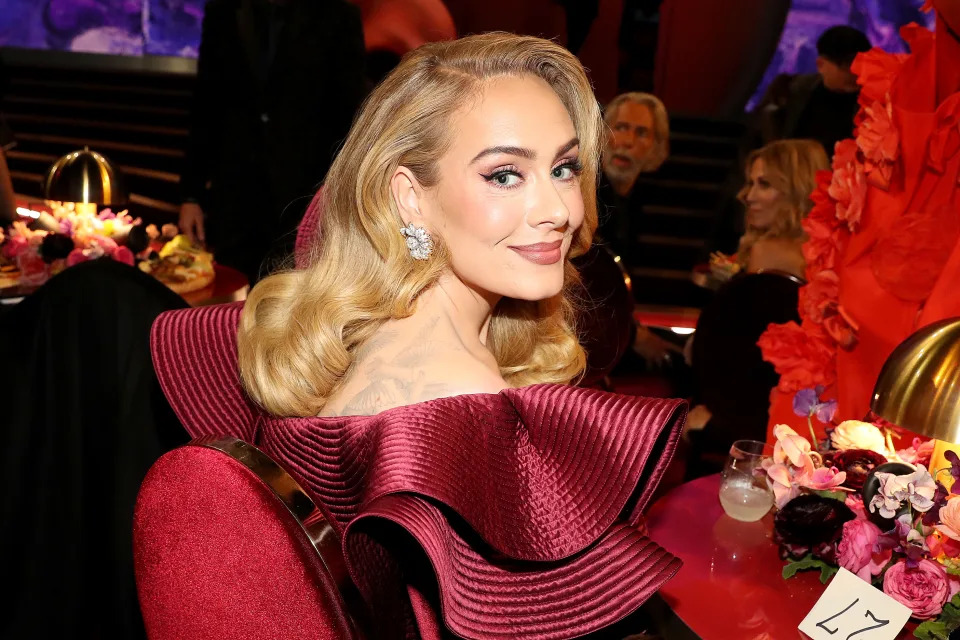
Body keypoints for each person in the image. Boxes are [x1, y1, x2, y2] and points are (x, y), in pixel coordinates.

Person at [153, 33, 687, 639]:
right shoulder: (462, 406)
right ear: (410, 199)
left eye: (563, 168)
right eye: (506, 175)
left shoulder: (372, 333)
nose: (559, 209)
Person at [178, 0, 366, 283]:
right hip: (234, 202)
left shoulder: (338, 14)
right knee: (233, 312)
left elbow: (350, 115)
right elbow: (207, 105)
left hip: (305, 201)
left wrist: (337, 198)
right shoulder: (223, 10)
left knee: (293, 310)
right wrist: (191, 195)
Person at [713, 139, 828, 281]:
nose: (749, 196)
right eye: (750, 183)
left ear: (796, 191)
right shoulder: (835, 253)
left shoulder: (766, 252)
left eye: (765, 184)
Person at [755, 25, 871, 157]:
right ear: (821, 64)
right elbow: (756, 140)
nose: (856, 73)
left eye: (863, 65)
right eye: (847, 66)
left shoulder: (875, 103)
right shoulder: (788, 91)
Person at [595, 91, 669, 262]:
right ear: (603, 133)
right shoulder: (582, 193)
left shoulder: (639, 201)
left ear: (655, 146)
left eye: (642, 132)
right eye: (621, 128)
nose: (628, 141)